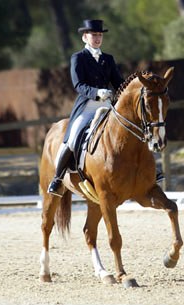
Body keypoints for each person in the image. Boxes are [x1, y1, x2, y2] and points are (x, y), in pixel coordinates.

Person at [47, 19, 124, 197]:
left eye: (99, 35)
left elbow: (119, 83)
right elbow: (78, 84)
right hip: (88, 107)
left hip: (107, 106)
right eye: (93, 35)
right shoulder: (78, 58)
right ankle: (57, 178)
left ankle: (146, 171)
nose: (97, 38)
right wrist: (97, 92)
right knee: (73, 138)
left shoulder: (108, 59)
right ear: (84, 37)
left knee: (130, 129)